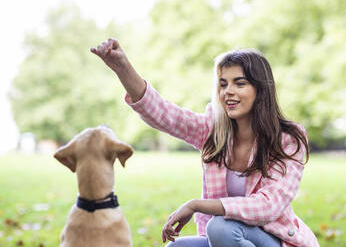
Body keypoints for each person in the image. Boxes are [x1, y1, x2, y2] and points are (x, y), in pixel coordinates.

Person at [91, 38, 319, 247]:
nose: (228, 91)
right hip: (227, 239)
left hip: (275, 241)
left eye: (239, 83)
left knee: (220, 227)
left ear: (261, 89)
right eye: (223, 84)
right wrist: (122, 67)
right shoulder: (214, 131)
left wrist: (196, 205)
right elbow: (164, 114)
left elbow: (268, 206)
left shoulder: (288, 139)